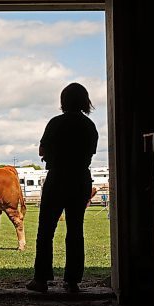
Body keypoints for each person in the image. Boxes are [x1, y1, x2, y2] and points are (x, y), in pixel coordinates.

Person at [26, 83, 98, 294]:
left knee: (46, 230)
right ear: (85, 102)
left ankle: (41, 279)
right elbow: (90, 153)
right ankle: (72, 281)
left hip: (57, 178)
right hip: (80, 179)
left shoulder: (55, 123)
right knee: (76, 230)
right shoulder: (89, 126)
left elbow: (42, 149)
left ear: (63, 101)